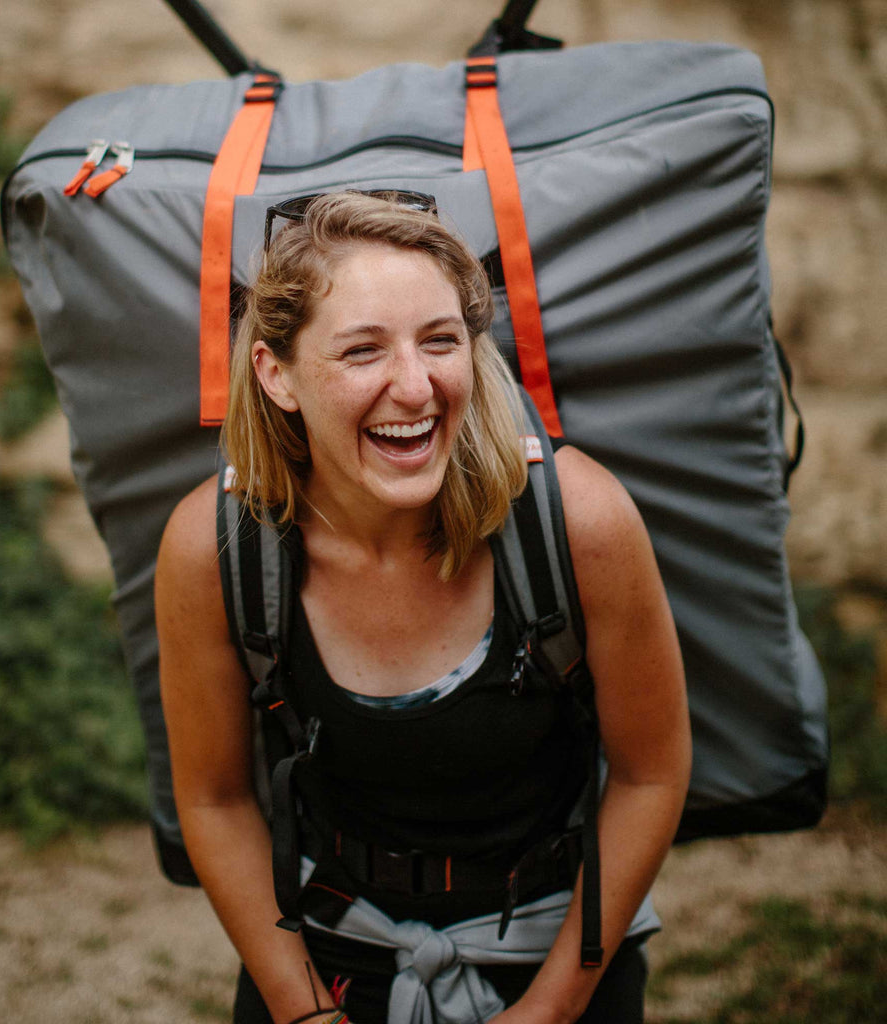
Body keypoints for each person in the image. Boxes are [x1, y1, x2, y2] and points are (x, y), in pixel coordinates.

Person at [155, 191, 691, 1024]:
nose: (416, 387)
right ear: (277, 373)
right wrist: (305, 1013)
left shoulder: (578, 522)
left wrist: (550, 1010)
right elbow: (216, 800)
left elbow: (652, 772)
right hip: (324, 946)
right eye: (362, 351)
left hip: (551, 948)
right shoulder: (213, 547)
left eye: (441, 341)